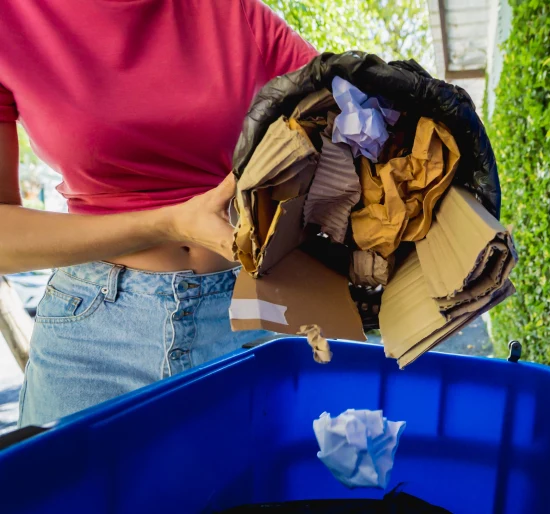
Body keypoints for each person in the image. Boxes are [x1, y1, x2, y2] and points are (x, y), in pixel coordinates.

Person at [0, 0, 318, 426]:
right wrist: (167, 224)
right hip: (94, 339)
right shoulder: (10, 18)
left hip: (250, 316)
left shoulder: (232, 11)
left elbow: (347, 110)